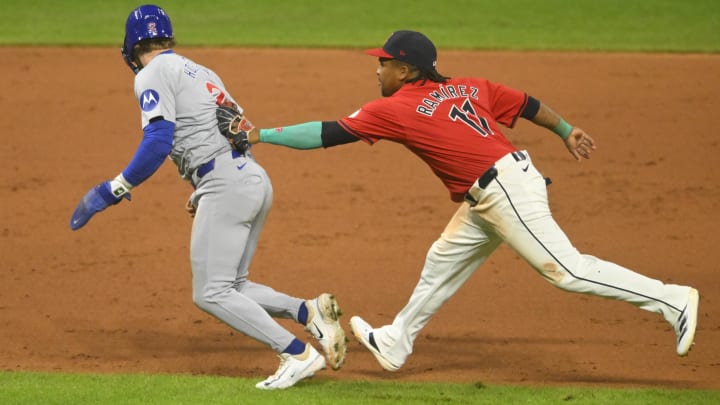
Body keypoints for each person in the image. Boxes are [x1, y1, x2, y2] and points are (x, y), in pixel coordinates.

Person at [216, 30, 700, 372]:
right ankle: (396, 341)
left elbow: (328, 133)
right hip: (495, 187)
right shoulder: (469, 85)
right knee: (443, 259)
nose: (377, 68)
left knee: (566, 271)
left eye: (384, 62)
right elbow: (527, 103)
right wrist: (567, 130)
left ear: (406, 69)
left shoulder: (397, 107)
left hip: (504, 191)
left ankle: (672, 300)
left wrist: (261, 135)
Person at [69, 4, 347, 389]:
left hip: (225, 184)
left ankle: (295, 353)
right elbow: (232, 129)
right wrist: (203, 189)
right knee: (232, 285)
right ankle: (307, 311)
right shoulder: (200, 71)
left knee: (211, 293)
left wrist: (114, 188)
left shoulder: (150, 73)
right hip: (250, 176)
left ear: (131, 47)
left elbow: (157, 142)